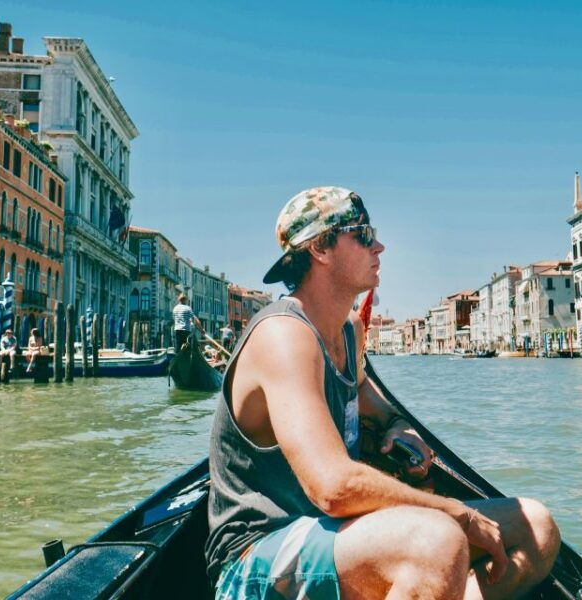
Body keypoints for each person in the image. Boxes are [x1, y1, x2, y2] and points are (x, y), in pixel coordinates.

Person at [206, 187, 560, 600]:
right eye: (363, 234)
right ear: (320, 248)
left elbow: (372, 402)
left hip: (339, 537)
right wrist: (455, 512)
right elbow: (334, 488)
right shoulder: (284, 335)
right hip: (256, 557)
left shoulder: (348, 330)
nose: (380, 246)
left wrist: (396, 426)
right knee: (437, 540)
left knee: (537, 527)